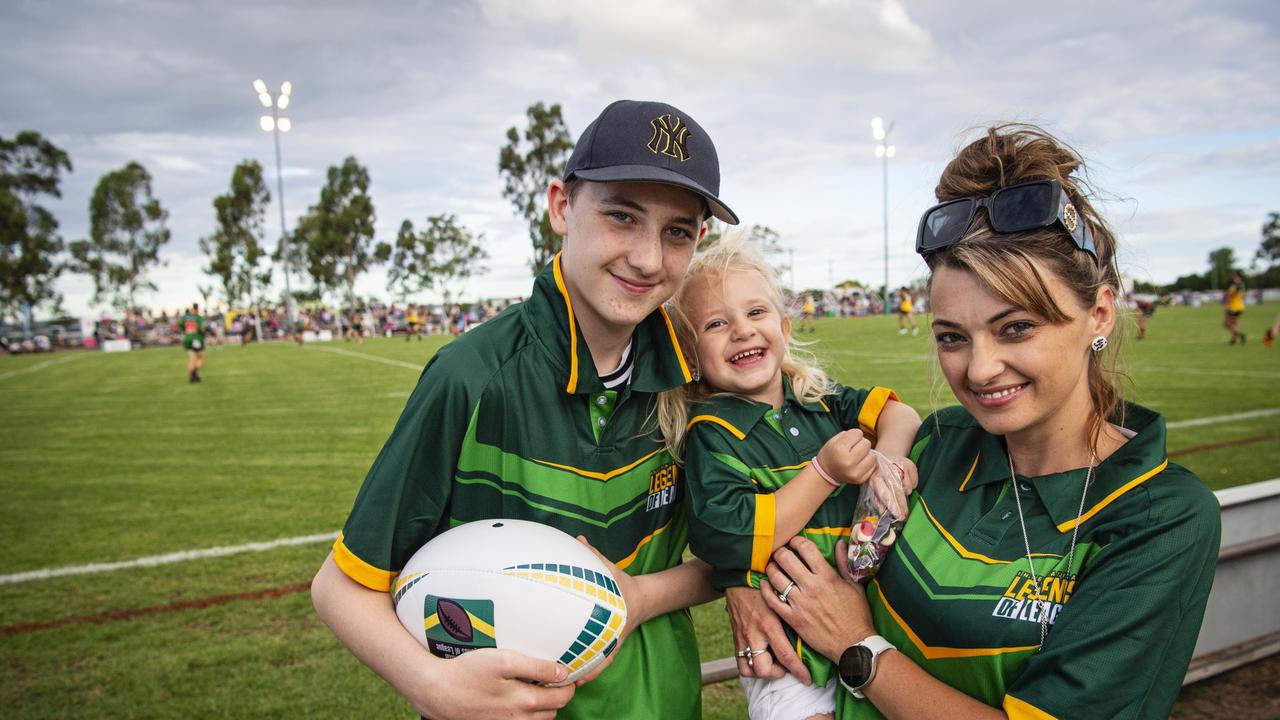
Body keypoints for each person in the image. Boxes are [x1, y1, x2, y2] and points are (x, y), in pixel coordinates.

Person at [749, 125, 1220, 719]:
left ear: (1098, 313)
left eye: (1015, 328)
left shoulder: (1160, 517)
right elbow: (781, 530)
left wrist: (858, 647)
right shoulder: (937, 443)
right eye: (952, 337)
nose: (980, 369)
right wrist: (743, 588)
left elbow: (840, 624)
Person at [311, 99, 738, 720]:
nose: (648, 258)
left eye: (677, 231)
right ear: (562, 206)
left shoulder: (697, 372)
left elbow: (737, 548)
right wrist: (433, 686)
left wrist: (644, 596)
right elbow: (340, 586)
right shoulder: (472, 377)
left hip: (664, 702)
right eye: (622, 216)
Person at [661, 240, 921, 720]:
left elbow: (900, 414)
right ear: (690, 355)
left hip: (873, 623)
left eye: (755, 311)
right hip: (787, 652)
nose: (741, 330)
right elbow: (735, 539)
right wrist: (824, 473)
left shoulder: (819, 398)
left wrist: (886, 463)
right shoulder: (713, 433)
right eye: (716, 323)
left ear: (782, 327)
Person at [180, 304, 205, 383]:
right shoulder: (199, 317)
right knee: (201, 357)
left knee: (192, 358)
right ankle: (194, 371)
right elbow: (202, 329)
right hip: (196, 339)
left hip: (187, 338)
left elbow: (181, 326)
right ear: (197, 309)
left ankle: (191, 378)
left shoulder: (186, 317)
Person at [1223, 273, 1246, 345]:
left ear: (1239, 278)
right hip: (1240, 307)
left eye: (1236, 277)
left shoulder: (1235, 286)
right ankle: (1233, 340)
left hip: (1233, 307)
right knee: (1235, 323)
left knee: (1226, 324)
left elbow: (1231, 296)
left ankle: (1240, 334)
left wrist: (1226, 305)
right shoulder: (1242, 286)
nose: (1235, 278)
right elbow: (1243, 297)